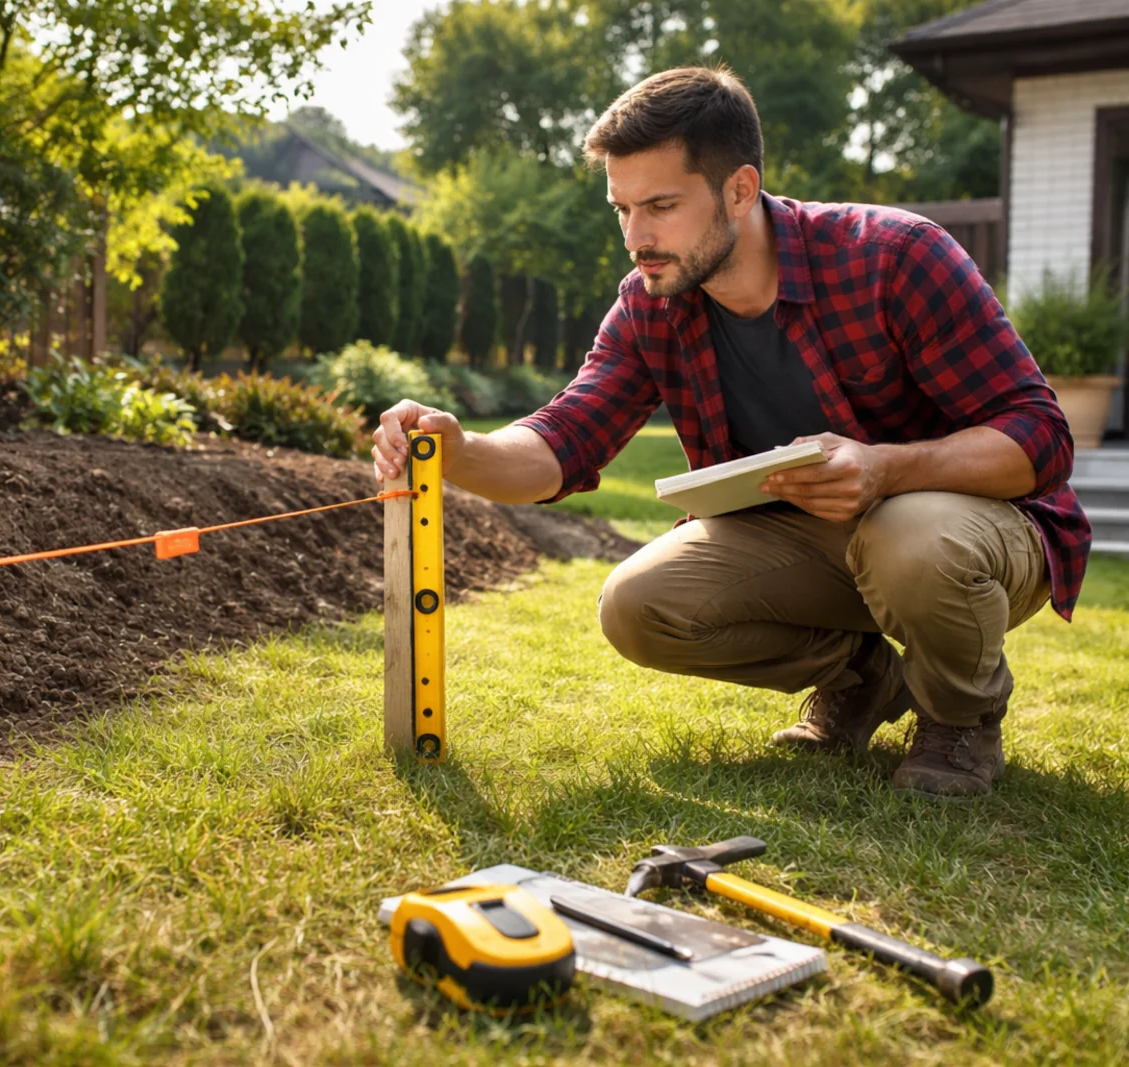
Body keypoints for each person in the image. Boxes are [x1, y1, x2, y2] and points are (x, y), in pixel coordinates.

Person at [371, 66, 1089, 798]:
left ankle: (961, 721)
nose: (636, 237)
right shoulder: (651, 302)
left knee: (908, 534)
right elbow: (564, 439)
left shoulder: (894, 256)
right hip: (813, 538)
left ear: (740, 190)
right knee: (638, 606)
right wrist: (459, 449)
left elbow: (1041, 438)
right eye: (622, 209)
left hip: (972, 534)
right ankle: (867, 679)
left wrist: (885, 468)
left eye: (661, 205)